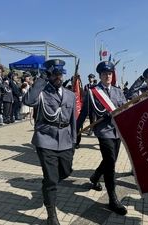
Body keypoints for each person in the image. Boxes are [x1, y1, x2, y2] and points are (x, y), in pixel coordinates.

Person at [23, 59, 76, 225]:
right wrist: (41, 80)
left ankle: (47, 183)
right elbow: (27, 101)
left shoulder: (70, 94)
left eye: (60, 74)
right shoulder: (41, 92)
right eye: (54, 73)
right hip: (46, 138)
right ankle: (51, 214)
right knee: (52, 178)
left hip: (66, 139)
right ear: (49, 75)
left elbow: (73, 119)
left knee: (66, 171)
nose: (58, 77)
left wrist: (74, 141)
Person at [77, 61, 128, 215]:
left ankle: (96, 175)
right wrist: (74, 130)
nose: (108, 76)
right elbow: (85, 112)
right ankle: (112, 198)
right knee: (111, 163)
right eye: (105, 74)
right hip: (103, 131)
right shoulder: (93, 92)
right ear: (99, 75)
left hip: (117, 131)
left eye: (110, 74)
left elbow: (125, 110)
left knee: (109, 160)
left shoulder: (119, 92)